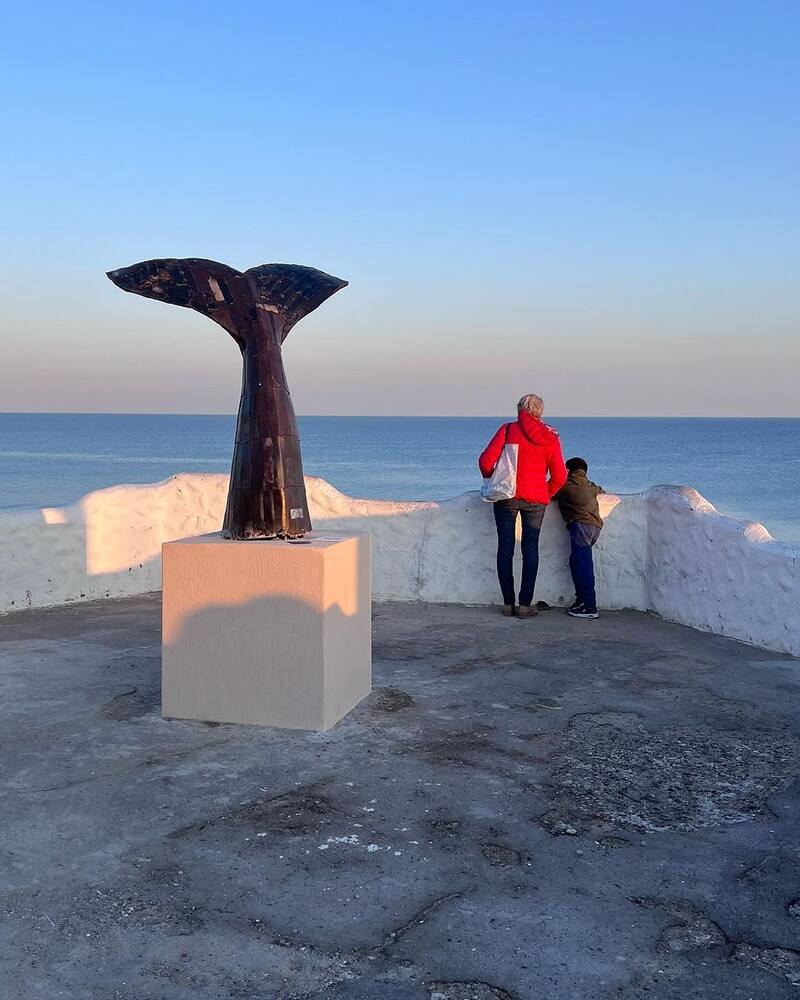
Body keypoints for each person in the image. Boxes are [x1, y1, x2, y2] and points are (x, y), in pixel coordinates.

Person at [479, 394, 567, 617]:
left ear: (520, 409)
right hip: (536, 500)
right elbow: (559, 476)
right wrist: (544, 492)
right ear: (540, 412)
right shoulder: (551, 437)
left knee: (505, 548)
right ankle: (525, 604)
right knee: (530, 549)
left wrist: (493, 477)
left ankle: (508, 604)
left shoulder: (508, 430)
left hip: (507, 496)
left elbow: (485, 462)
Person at [555, 457, 604, 619]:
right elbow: (601, 490)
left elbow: (550, 492)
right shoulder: (591, 486)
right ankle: (581, 600)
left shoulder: (566, 486)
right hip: (595, 527)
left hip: (581, 526)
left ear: (568, 470)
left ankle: (589, 606)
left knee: (583, 566)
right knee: (577, 562)